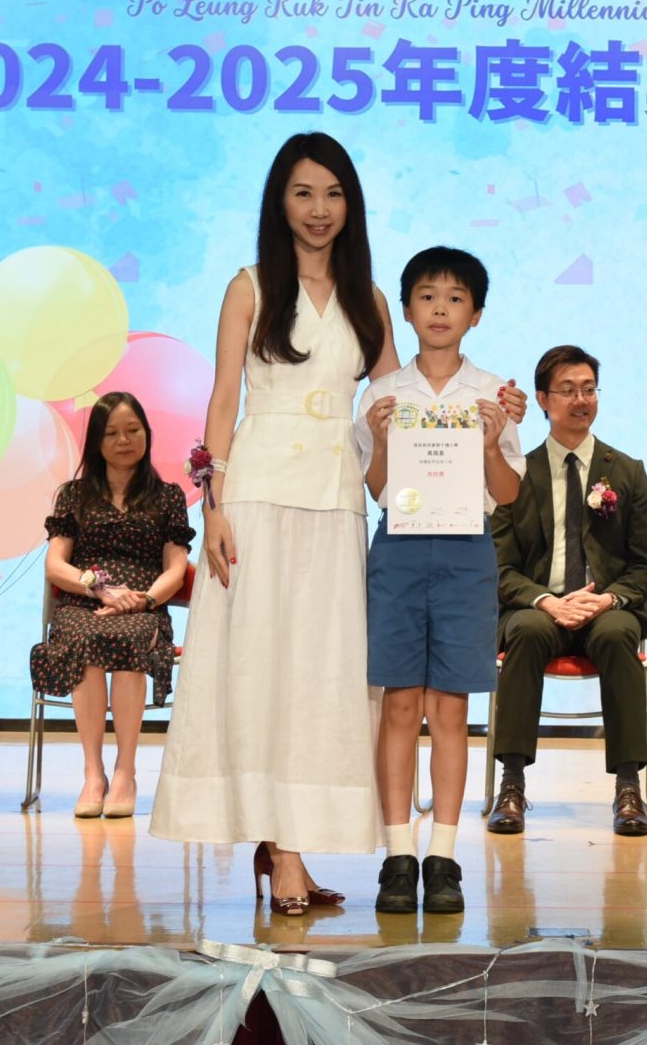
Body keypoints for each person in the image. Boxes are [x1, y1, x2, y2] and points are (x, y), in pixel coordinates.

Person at [148, 133, 525, 915]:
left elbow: (409, 396)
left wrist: (497, 409)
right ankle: (282, 850)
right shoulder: (249, 286)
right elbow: (222, 400)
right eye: (303, 193)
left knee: (321, 675)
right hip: (256, 490)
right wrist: (211, 505)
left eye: (333, 194)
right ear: (279, 202)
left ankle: (291, 841)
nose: (319, 210)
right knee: (259, 667)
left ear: (351, 205)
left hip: (339, 494)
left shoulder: (371, 299)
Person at [355, 247, 524, 915]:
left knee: (450, 709)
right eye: (427, 297)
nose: (440, 310)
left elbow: (507, 493)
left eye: (456, 298)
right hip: (398, 550)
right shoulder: (381, 396)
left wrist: (488, 442)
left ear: (475, 314)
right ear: (406, 310)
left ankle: (444, 857)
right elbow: (376, 489)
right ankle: (398, 855)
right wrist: (380, 441)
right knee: (399, 704)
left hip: (465, 553)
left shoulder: (493, 396)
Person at [488, 345, 647, 837]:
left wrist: (607, 599)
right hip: (539, 607)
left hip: (605, 607)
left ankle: (628, 789)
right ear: (543, 400)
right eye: (567, 390)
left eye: (589, 389)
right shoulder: (515, 473)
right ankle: (512, 785)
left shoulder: (626, 471)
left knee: (616, 634)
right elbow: (500, 567)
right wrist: (546, 600)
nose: (580, 400)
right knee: (525, 631)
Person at [36, 391, 193, 819]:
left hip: (143, 604)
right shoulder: (73, 495)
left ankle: (126, 771)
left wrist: (143, 599)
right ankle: (94, 773)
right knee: (84, 639)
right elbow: (55, 565)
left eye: (132, 430)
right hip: (85, 599)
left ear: (146, 433)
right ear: (96, 441)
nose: (124, 440)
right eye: (112, 433)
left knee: (129, 640)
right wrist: (98, 589)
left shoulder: (168, 497)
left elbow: (176, 568)